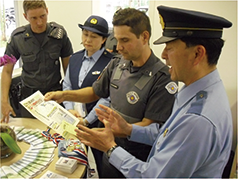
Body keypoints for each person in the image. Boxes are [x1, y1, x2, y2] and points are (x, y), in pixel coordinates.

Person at [73, 5, 233, 178]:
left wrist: (110, 148)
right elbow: (167, 134)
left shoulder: (197, 120)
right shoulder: (198, 91)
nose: (163, 55)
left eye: (170, 47)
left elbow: (153, 176)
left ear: (197, 54)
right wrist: (129, 129)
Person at [44, 8, 176, 178]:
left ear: (144, 37)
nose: (118, 47)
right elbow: (95, 92)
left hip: (135, 161)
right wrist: (64, 95)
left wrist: (118, 130)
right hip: (108, 152)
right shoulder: (118, 63)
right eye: (117, 39)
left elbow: (151, 127)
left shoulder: (162, 78)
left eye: (125, 40)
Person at [1, 0, 73, 122]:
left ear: (47, 11)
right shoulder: (17, 38)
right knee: (31, 135)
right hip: (30, 99)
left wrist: (71, 100)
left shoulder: (59, 34)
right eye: (33, 18)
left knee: (56, 137)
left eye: (42, 16)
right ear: (25, 17)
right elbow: (7, 71)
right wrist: (3, 102)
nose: (39, 22)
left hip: (54, 96)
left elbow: (69, 70)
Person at [62, 15, 113, 177]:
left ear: (104, 39)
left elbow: (107, 97)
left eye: (94, 36)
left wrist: (87, 120)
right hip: (73, 120)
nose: (88, 39)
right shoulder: (75, 58)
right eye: (85, 34)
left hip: (97, 123)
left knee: (102, 164)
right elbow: (68, 86)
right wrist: (70, 110)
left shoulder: (112, 62)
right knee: (74, 160)